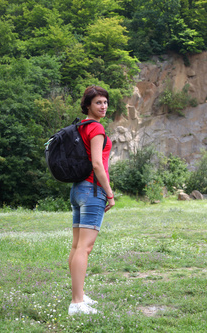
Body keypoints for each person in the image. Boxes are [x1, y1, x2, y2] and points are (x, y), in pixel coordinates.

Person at [68, 86, 115, 315]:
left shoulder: (81, 126)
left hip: (78, 190)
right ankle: (77, 303)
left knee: (78, 246)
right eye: (98, 102)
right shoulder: (95, 128)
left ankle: (79, 294)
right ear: (88, 105)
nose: (103, 106)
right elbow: (97, 164)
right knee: (84, 248)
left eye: (105, 102)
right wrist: (110, 193)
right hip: (92, 190)